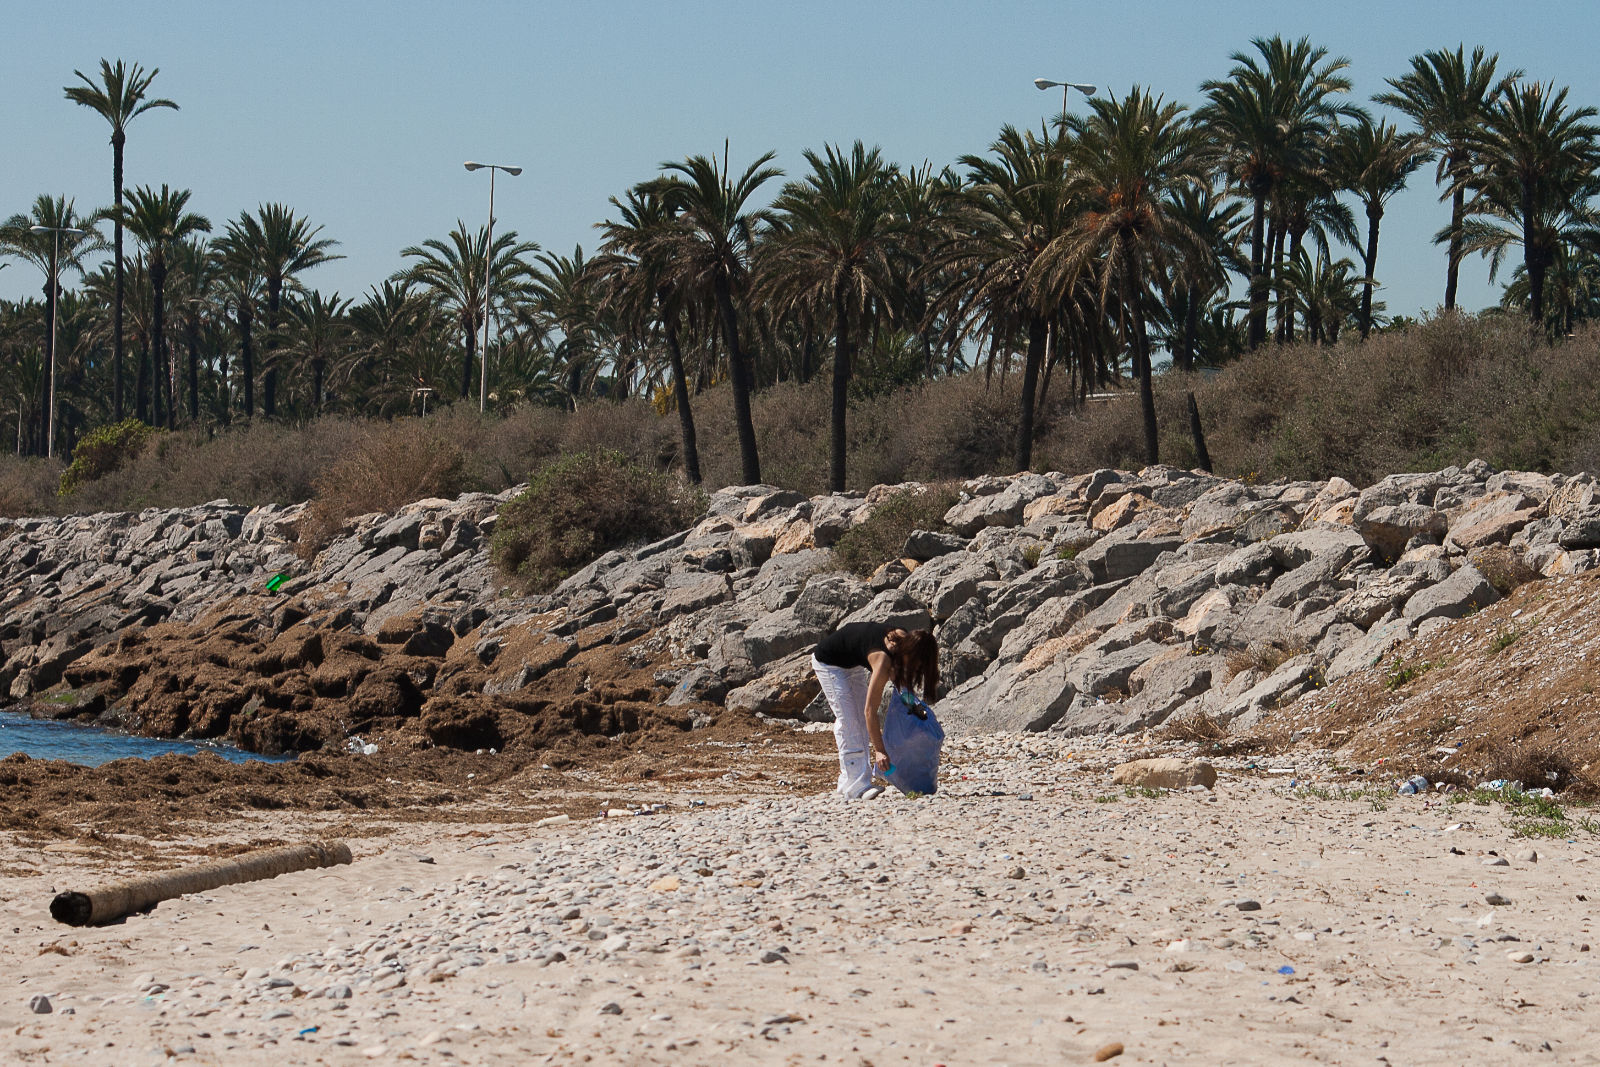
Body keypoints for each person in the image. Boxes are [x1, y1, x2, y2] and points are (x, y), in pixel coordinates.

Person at [810, 622, 938, 799]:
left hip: (852, 663)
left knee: (859, 721)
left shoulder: (904, 638)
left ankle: (847, 781)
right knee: (850, 720)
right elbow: (870, 711)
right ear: (909, 652)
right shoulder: (882, 660)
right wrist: (880, 751)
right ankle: (856, 787)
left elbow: (901, 679)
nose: (916, 668)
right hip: (828, 662)